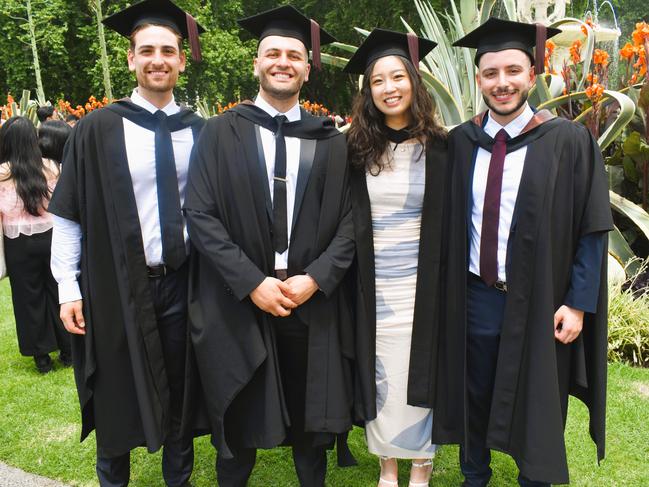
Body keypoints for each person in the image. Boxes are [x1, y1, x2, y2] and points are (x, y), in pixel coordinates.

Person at [433, 17, 612, 486]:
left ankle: (534, 478)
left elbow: (592, 229)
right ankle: (475, 474)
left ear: (532, 75)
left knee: (537, 397)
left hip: (541, 301)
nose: (502, 82)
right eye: (491, 73)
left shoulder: (568, 142)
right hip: (475, 295)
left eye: (513, 70)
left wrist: (577, 302)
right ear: (478, 80)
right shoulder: (460, 143)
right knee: (474, 391)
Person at [183, 5, 355, 486]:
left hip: (308, 302)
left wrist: (317, 279)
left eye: (294, 55)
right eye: (272, 53)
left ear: (307, 66)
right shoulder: (218, 133)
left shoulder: (330, 141)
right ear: (256, 64)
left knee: (310, 425)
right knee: (238, 422)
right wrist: (251, 281)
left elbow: (350, 222)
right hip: (240, 300)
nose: (283, 61)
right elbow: (200, 215)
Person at [47, 0, 205, 485]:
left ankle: (178, 478)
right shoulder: (96, 129)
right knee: (116, 390)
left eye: (168, 50)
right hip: (116, 286)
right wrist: (67, 289)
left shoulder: (202, 131)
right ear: (131, 59)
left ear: (181, 59)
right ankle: (113, 478)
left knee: (181, 393)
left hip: (186, 283)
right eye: (147, 50)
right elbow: (70, 216)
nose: (158, 59)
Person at [343, 29, 447, 487]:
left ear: (414, 81)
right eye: (378, 80)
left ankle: (422, 465)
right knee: (381, 371)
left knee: (422, 369)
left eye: (397, 76)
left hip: (424, 286)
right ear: (368, 91)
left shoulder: (444, 148)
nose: (389, 88)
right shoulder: (354, 148)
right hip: (375, 285)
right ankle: (387, 465)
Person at [0, 116, 71, 373]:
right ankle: (68, 348)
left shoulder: (2, 173)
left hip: (18, 243)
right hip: (52, 237)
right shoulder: (51, 167)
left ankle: (41, 357)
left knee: (27, 299)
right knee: (58, 292)